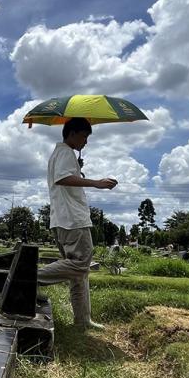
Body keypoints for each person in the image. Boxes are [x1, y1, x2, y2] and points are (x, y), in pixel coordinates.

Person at [38, 117, 117, 332]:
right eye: (84, 136)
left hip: (62, 220)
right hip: (73, 220)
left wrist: (77, 170)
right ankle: (29, 279)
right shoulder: (65, 152)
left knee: (78, 274)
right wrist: (96, 183)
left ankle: (82, 320)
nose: (86, 142)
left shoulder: (62, 154)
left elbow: (65, 176)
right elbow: (62, 178)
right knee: (81, 264)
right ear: (72, 133)